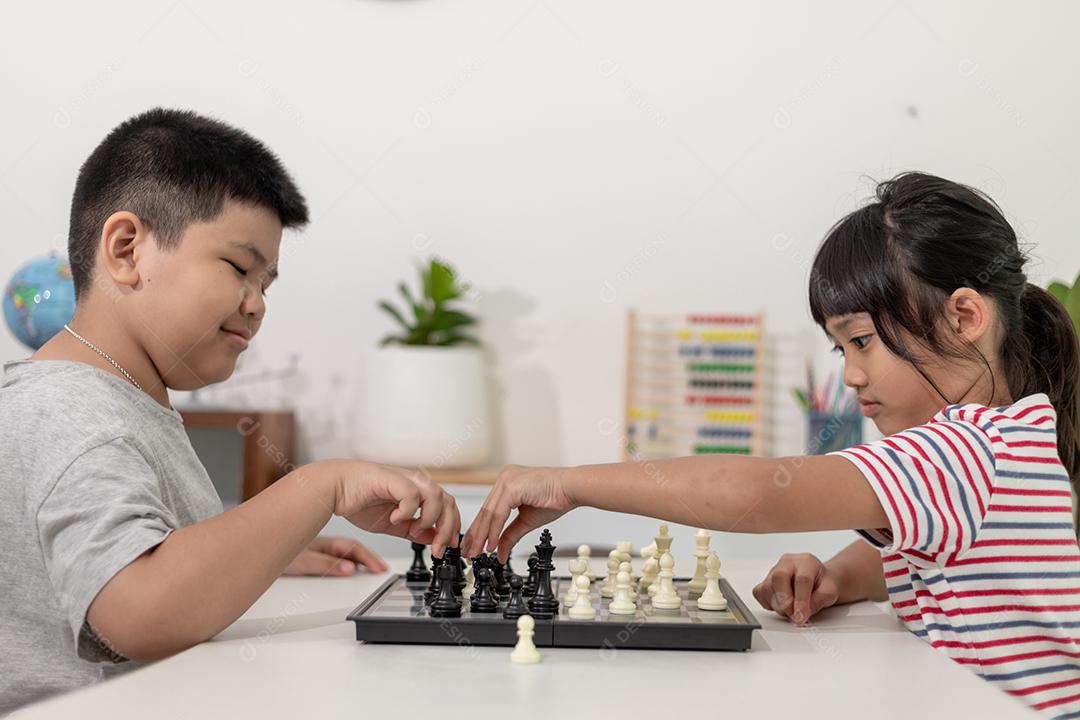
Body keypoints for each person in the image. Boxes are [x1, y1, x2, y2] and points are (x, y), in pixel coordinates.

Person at [463, 172, 1080, 716]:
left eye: (862, 341)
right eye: (841, 349)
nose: (851, 374)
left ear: (964, 318)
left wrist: (568, 483)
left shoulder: (967, 451)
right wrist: (835, 576)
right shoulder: (998, 443)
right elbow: (925, 554)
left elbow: (753, 494)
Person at [0, 108, 460, 713]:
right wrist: (321, 486)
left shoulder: (111, 399)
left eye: (266, 284)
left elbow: (127, 550)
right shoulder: (68, 413)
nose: (257, 304)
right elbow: (138, 614)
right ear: (126, 250)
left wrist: (264, 553)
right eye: (240, 269)